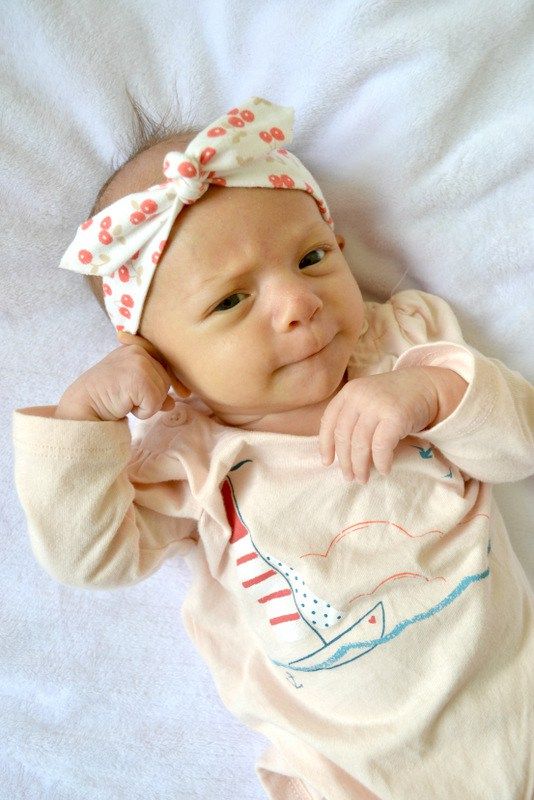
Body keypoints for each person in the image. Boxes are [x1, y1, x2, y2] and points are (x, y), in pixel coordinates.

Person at [12, 97, 534, 800]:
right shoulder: (190, 453)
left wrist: (432, 395)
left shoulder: (406, 345)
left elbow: (518, 447)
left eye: (312, 258)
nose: (298, 302)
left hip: (515, 701)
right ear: (151, 355)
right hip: (344, 771)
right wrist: (84, 419)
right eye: (231, 301)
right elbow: (91, 559)